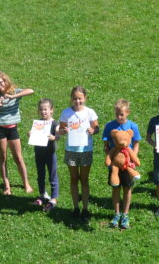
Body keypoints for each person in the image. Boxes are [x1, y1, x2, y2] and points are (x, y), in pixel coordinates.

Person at [0, 71, 34, 195]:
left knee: (18, 157)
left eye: (1, 83)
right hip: (0, 129)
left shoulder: (14, 92)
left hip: (12, 129)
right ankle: (7, 186)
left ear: (5, 81)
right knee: (3, 157)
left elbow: (30, 91)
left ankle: (26, 184)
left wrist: (13, 97)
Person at [58, 86, 99, 221]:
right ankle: (76, 208)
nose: (77, 101)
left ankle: (85, 209)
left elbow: (97, 127)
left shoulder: (90, 112)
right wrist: (63, 131)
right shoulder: (66, 113)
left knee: (85, 179)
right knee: (74, 179)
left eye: (80, 98)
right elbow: (61, 129)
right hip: (71, 150)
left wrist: (93, 130)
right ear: (71, 99)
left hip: (85, 150)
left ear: (85, 98)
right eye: (75, 99)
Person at [102, 99, 141, 229]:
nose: (119, 117)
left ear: (127, 113)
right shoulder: (110, 126)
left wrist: (132, 158)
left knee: (127, 188)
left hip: (128, 164)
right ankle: (117, 213)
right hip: (115, 164)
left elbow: (136, 144)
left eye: (122, 115)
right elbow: (106, 145)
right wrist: (110, 156)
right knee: (115, 187)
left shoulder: (132, 126)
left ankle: (125, 214)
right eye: (117, 114)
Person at [32, 98, 59, 212]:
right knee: (40, 175)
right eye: (41, 110)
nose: (43, 112)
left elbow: (58, 135)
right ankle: (43, 195)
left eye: (45, 109)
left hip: (50, 153)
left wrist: (54, 137)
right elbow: (34, 134)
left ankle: (53, 199)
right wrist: (30, 134)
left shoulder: (54, 123)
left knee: (52, 175)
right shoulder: (39, 123)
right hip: (39, 153)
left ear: (51, 110)